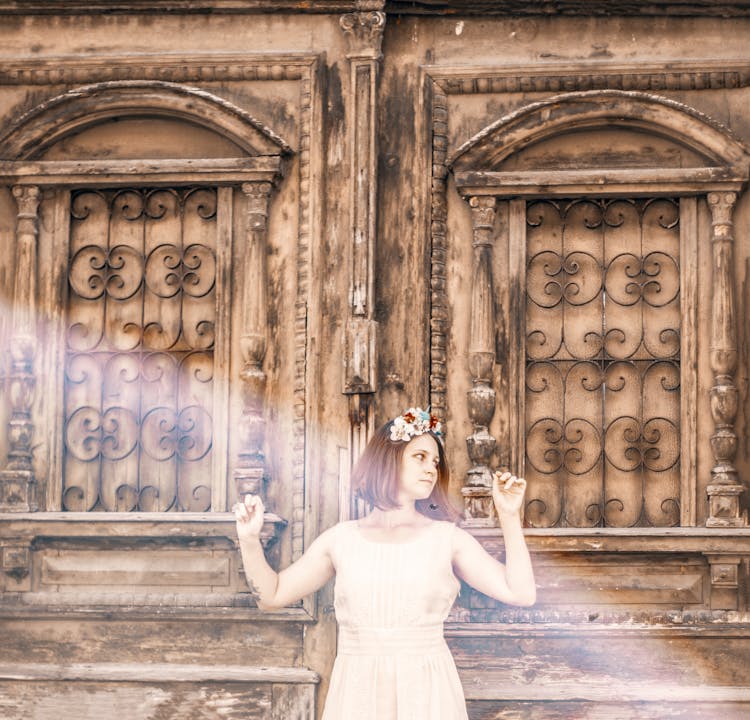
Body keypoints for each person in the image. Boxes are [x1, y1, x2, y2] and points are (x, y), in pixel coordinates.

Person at [235, 407, 536, 720]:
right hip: (358, 694)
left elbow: (521, 593)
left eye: (434, 461)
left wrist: (510, 515)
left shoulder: (447, 539)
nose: (431, 469)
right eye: (419, 457)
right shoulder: (341, 540)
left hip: (426, 694)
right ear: (388, 458)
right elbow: (272, 595)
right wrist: (249, 539)